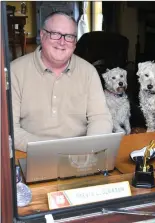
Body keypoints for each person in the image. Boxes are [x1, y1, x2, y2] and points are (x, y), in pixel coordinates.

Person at [10, 11, 113, 152]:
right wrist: (50, 149)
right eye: (55, 34)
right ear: (42, 35)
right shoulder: (15, 71)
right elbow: (9, 128)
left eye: (69, 36)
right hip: (29, 152)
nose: (62, 42)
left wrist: (90, 149)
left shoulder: (89, 72)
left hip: (79, 155)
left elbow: (100, 118)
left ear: (75, 42)